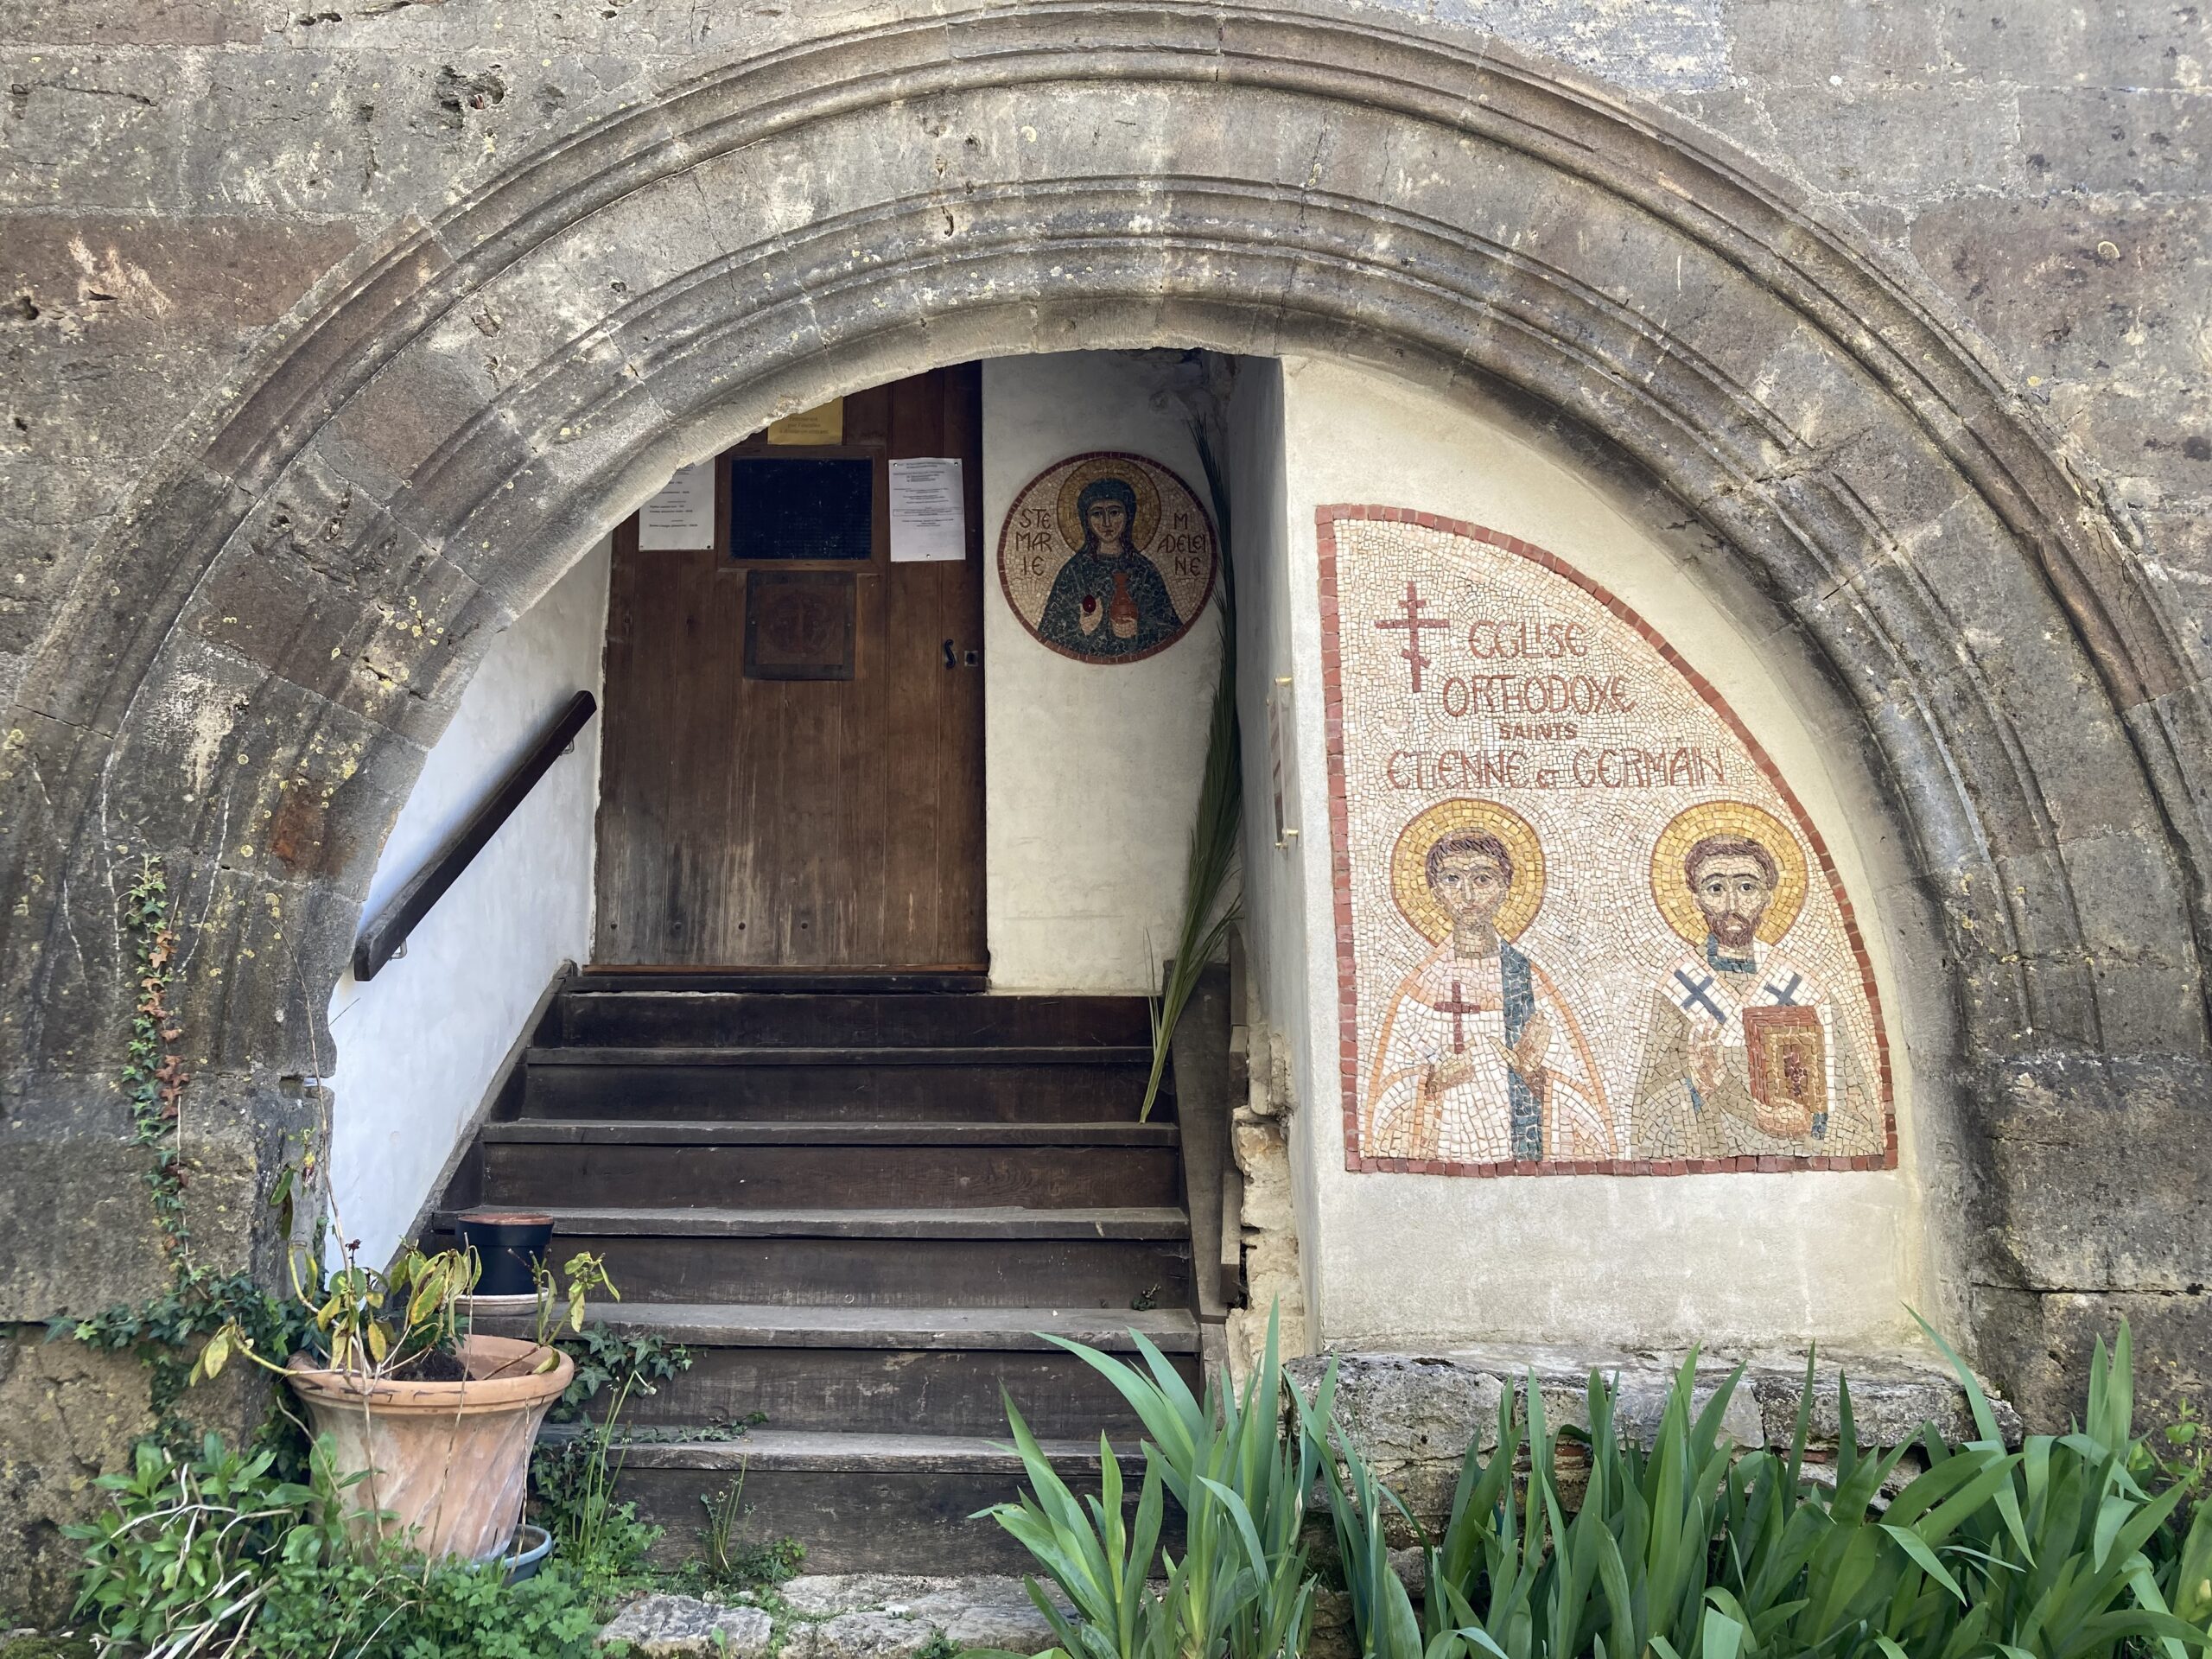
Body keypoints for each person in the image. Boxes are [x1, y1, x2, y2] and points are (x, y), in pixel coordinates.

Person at [1363, 829, 1614, 1164]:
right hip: (1441, 1152)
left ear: (1505, 888)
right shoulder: (1418, 989)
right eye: (1452, 879)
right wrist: (1433, 1081)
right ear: (1435, 892)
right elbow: (1383, 1106)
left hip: (1521, 1157)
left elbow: (1587, 1113)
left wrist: (1534, 1076)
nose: (1467, 894)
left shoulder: (1528, 984)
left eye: (1482, 879)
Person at [1629, 831, 1882, 1159]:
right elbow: (1646, 1121)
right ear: (1696, 900)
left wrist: (1814, 1124)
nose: (1732, 905)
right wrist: (1696, 1089)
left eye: (1747, 887)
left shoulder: (1808, 992)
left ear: (1768, 897)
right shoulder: (1678, 991)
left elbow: (1862, 1123)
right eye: (1715, 888)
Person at [1035, 475, 1184, 658]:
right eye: (1097, 514)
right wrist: (1082, 629)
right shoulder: (1074, 571)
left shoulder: (1145, 570)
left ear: (1128, 515)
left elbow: (1169, 628)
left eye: (1114, 512)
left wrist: (1139, 629)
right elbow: (1050, 633)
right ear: (1086, 519)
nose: (1106, 523)